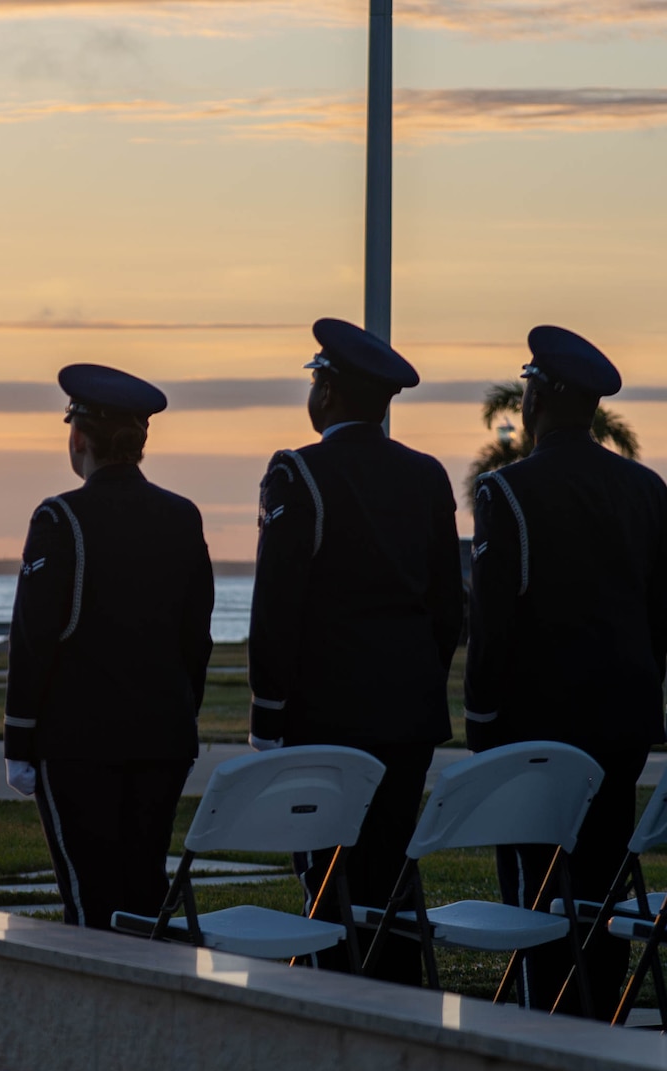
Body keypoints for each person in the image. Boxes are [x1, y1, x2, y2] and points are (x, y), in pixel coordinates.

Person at [246, 318, 461, 984]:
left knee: (329, 872)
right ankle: (397, 993)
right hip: (408, 715)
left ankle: (337, 997)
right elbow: (450, 605)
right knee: (389, 869)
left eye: (317, 382)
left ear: (330, 392)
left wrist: (267, 713)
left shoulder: (298, 472)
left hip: (326, 715)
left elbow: (278, 601)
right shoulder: (426, 475)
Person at [466, 326, 667, 1017]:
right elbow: (658, 611)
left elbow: (493, 622)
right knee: (601, 885)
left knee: (538, 889)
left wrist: (483, 722)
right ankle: (599, 1009)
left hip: (538, 726)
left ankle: (546, 1021)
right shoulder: (645, 489)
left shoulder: (508, 492)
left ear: (541, 397)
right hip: (622, 725)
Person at [4, 364, 214, 930]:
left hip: (78, 746)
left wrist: (19, 739)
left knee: (90, 900)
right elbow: (197, 636)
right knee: (142, 890)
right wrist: (180, 715)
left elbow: (34, 637)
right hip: (163, 742)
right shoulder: (182, 515)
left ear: (78, 438)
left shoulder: (61, 517)